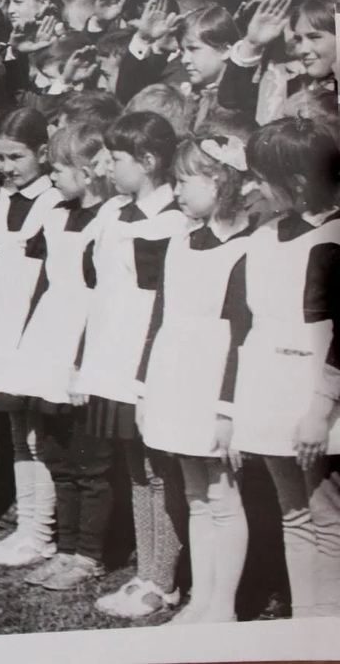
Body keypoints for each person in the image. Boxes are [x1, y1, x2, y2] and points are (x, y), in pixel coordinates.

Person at [73, 111, 190, 619]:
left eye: (117, 159)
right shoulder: (115, 212)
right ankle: (147, 571)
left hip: (146, 359)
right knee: (135, 468)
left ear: (149, 161)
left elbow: (158, 301)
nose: (107, 168)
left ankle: (164, 580)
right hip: (111, 355)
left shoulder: (171, 220)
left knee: (158, 469)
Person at [138, 136, 254, 624]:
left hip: (214, 383)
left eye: (185, 181)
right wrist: (144, 386)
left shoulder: (246, 250)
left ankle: (222, 606)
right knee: (193, 494)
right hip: (175, 376)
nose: (176, 190)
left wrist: (228, 407)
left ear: (220, 180)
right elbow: (159, 315)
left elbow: (244, 334)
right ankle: (200, 600)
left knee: (222, 495)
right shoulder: (181, 239)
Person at [232, 117, 340, 618]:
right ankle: (306, 620)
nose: (251, 188)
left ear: (297, 182)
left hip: (316, 400)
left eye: (261, 177)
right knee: (294, 514)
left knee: (327, 515)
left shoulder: (333, 238)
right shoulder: (267, 234)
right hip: (268, 392)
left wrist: (321, 408)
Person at [15, 126, 123, 591]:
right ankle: (65, 548)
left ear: (88, 172)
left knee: (89, 460)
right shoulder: (56, 214)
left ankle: (89, 554)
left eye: (58, 169)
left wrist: (84, 360)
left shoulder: (109, 220)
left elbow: (104, 296)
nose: (51, 176)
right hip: (50, 339)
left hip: (84, 346)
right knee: (57, 452)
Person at [0, 107, 63, 568]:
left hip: (33, 327)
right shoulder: (1, 202)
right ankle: (25, 526)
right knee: (15, 432)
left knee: (37, 435)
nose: (6, 167)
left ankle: (42, 531)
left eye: (17, 156)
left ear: (43, 154)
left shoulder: (52, 202)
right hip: (0, 326)